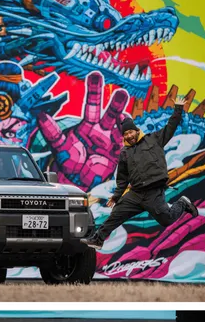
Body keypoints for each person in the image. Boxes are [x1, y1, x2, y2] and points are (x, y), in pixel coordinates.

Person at [81, 98, 198, 249]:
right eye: (125, 135)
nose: (128, 136)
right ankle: (98, 239)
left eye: (130, 132)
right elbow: (122, 179)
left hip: (153, 191)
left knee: (167, 220)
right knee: (116, 215)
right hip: (135, 194)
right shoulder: (124, 153)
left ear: (137, 131)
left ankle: (182, 203)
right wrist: (117, 196)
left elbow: (171, 126)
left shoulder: (154, 139)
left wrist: (178, 109)